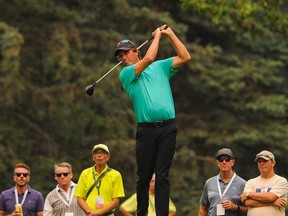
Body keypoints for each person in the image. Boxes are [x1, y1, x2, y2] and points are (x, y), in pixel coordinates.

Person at [114, 24, 191, 216]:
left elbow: (185, 56)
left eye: (125, 54)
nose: (123, 58)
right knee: (144, 176)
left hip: (168, 128)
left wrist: (170, 34)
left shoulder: (161, 67)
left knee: (162, 175)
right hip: (146, 130)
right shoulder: (126, 74)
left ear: (135, 51)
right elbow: (149, 57)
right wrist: (157, 36)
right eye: (120, 56)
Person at [74, 143, 125, 216]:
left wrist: (99, 213)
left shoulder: (116, 175)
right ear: (93, 157)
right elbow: (79, 197)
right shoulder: (85, 173)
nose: (99, 155)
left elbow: (116, 201)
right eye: (96, 153)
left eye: (103, 153)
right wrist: (90, 212)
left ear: (108, 157)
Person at [198, 148, 247, 216]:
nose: (224, 162)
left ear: (232, 162)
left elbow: (249, 210)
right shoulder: (209, 183)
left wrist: (236, 207)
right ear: (217, 163)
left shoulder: (243, 184)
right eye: (221, 159)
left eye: (227, 159)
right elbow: (203, 209)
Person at [240, 150, 287, 216]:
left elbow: (270, 197)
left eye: (265, 161)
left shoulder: (281, 181)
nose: (262, 163)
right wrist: (272, 203)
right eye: (259, 161)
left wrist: (248, 194)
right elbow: (248, 203)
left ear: (273, 163)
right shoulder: (250, 182)